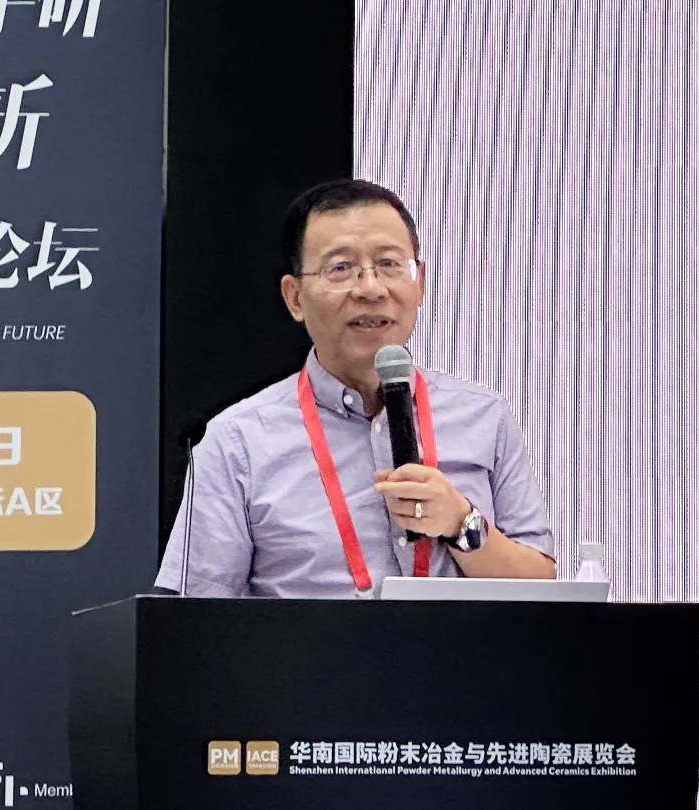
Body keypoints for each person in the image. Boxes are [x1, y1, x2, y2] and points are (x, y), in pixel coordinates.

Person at [154, 178, 555, 598]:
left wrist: (462, 523)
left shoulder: (485, 417)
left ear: (420, 284)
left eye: (389, 263)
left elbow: (543, 590)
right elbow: (192, 617)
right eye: (341, 268)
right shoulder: (237, 442)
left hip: (460, 644)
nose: (371, 288)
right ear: (294, 297)